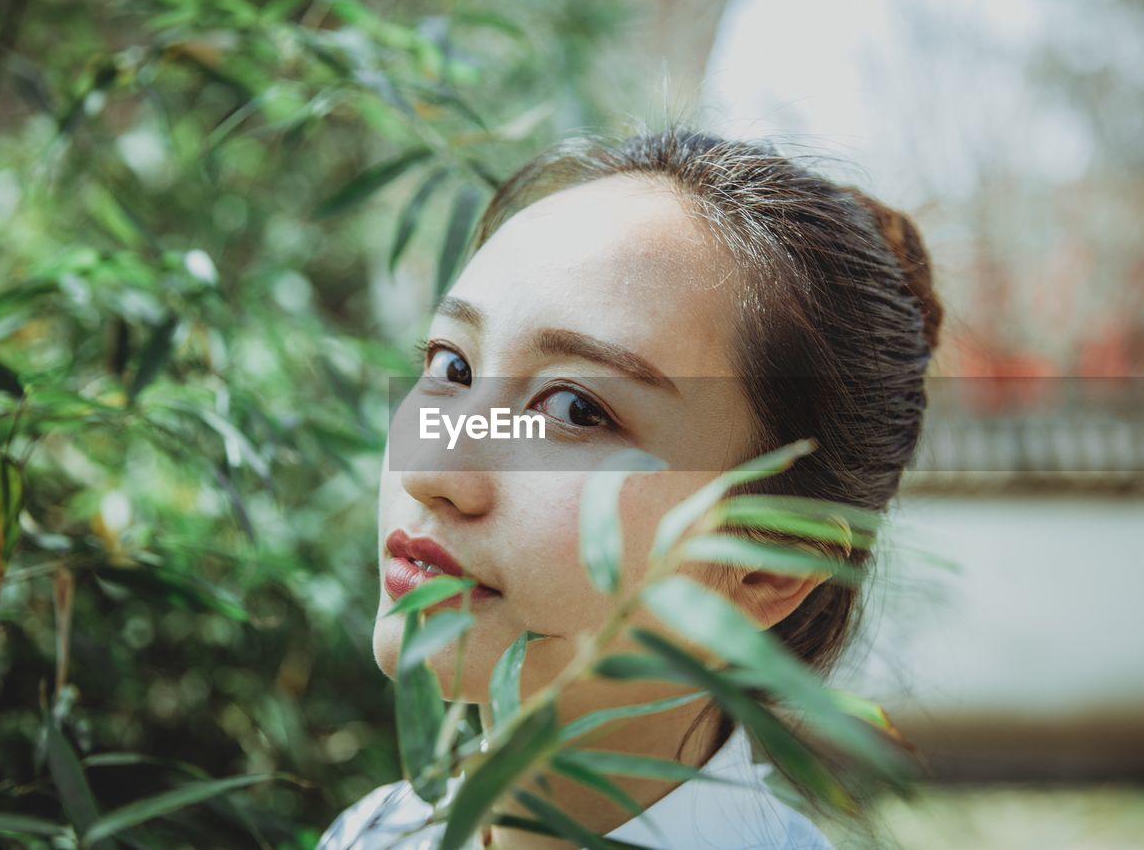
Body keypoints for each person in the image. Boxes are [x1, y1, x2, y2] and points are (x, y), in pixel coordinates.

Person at [318, 128, 944, 849]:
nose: (432, 470)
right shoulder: (373, 834)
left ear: (772, 563)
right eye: (451, 366)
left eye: (574, 409)